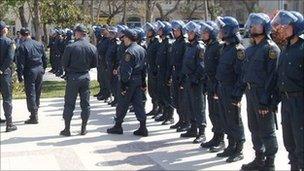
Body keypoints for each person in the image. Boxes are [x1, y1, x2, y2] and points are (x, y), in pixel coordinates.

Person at [241, 13, 280, 171]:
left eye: (256, 24)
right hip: (251, 94)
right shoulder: (251, 49)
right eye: (251, 24)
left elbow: (273, 78)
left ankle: (269, 163)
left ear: (265, 27)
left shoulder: (271, 49)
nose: (252, 27)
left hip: (263, 95)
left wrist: (266, 101)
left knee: (267, 130)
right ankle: (259, 158)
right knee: (254, 128)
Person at [270, 10, 304, 171]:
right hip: (286, 101)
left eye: (287, 25)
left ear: (296, 26)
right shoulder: (285, 49)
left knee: (301, 142)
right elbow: (280, 77)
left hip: (300, 102)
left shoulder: (302, 48)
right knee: (289, 141)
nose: (283, 28)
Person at [215, 16, 246, 163]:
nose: (220, 31)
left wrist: (237, 94)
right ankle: (230, 145)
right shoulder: (224, 47)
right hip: (222, 87)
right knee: (225, 117)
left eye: (222, 29)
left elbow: (241, 75)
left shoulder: (238, 50)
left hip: (231, 89)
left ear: (228, 30)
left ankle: (239, 149)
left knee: (234, 119)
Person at [107, 28, 148, 137]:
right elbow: (144, 68)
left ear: (128, 38)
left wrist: (123, 86)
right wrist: (143, 82)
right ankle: (143, 126)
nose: (123, 39)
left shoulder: (128, 52)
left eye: (124, 37)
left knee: (122, 104)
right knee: (138, 104)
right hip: (138, 80)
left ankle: (118, 125)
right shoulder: (141, 49)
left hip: (129, 82)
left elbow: (126, 71)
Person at [60, 24, 98, 136]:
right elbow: (94, 64)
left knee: (69, 104)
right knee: (85, 104)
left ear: (77, 33)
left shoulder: (70, 47)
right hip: (85, 76)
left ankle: (67, 129)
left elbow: (64, 63)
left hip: (73, 77)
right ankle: (83, 128)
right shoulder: (92, 47)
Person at [199, 21, 225, 152]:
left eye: (205, 33)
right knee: (212, 113)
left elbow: (219, 69)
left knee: (218, 113)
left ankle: (221, 140)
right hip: (209, 83)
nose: (203, 35)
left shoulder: (218, 47)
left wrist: (216, 86)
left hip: (216, 84)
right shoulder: (208, 46)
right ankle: (215, 136)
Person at [179, 21, 207, 143]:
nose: (188, 34)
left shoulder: (199, 47)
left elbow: (201, 66)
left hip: (196, 82)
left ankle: (202, 132)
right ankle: (193, 128)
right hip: (188, 79)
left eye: (191, 33)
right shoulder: (189, 46)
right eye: (188, 32)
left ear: (196, 34)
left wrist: (195, 80)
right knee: (189, 105)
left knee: (199, 107)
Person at [16, 28, 47, 124]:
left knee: (30, 93)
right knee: (37, 92)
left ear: (21, 35)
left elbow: (20, 63)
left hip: (30, 71)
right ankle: (35, 111)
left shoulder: (22, 46)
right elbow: (44, 58)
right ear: (29, 34)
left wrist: (19, 75)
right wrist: (43, 69)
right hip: (39, 69)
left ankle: (34, 115)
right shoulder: (39, 44)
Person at [169, 20, 188, 131]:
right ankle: (180, 120)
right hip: (175, 73)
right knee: (176, 99)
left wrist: (182, 77)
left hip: (182, 74)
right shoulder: (175, 43)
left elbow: (185, 62)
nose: (175, 32)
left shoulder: (184, 43)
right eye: (174, 30)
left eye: (177, 30)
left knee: (183, 100)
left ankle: (186, 121)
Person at [154, 21, 174, 125]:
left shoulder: (169, 43)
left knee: (167, 95)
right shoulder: (162, 42)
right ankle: (165, 114)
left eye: (160, 29)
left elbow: (170, 62)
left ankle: (170, 116)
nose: (158, 31)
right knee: (161, 94)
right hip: (160, 71)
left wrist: (169, 76)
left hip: (166, 72)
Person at [0, 21, 17, 132]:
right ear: (4, 30)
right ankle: (9, 123)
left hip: (3, 71)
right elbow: (10, 58)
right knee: (7, 98)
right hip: (4, 73)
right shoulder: (9, 42)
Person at [143, 22, 160, 117]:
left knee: (156, 90)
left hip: (155, 69)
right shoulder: (150, 42)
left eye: (149, 31)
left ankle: (158, 108)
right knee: (151, 90)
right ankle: (154, 108)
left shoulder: (157, 42)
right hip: (150, 68)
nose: (147, 32)